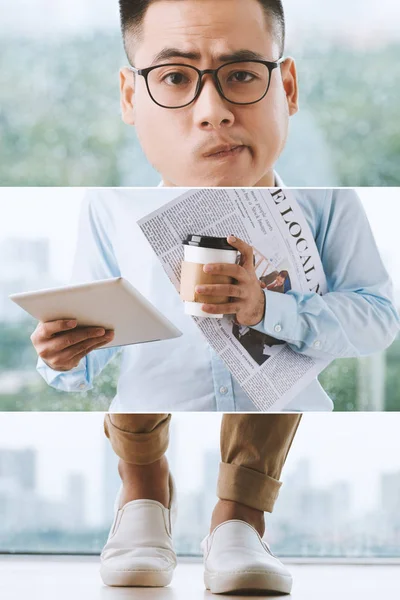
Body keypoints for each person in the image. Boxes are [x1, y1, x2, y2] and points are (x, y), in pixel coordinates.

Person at [28, 0, 400, 594]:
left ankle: (241, 519)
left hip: (278, 405)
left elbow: (379, 318)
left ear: (289, 87)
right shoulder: (111, 209)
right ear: (130, 97)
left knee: (276, 398)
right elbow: (91, 351)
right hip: (145, 407)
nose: (213, 113)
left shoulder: (327, 203)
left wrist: (270, 311)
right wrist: (61, 355)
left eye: (243, 74)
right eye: (175, 77)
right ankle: (143, 491)